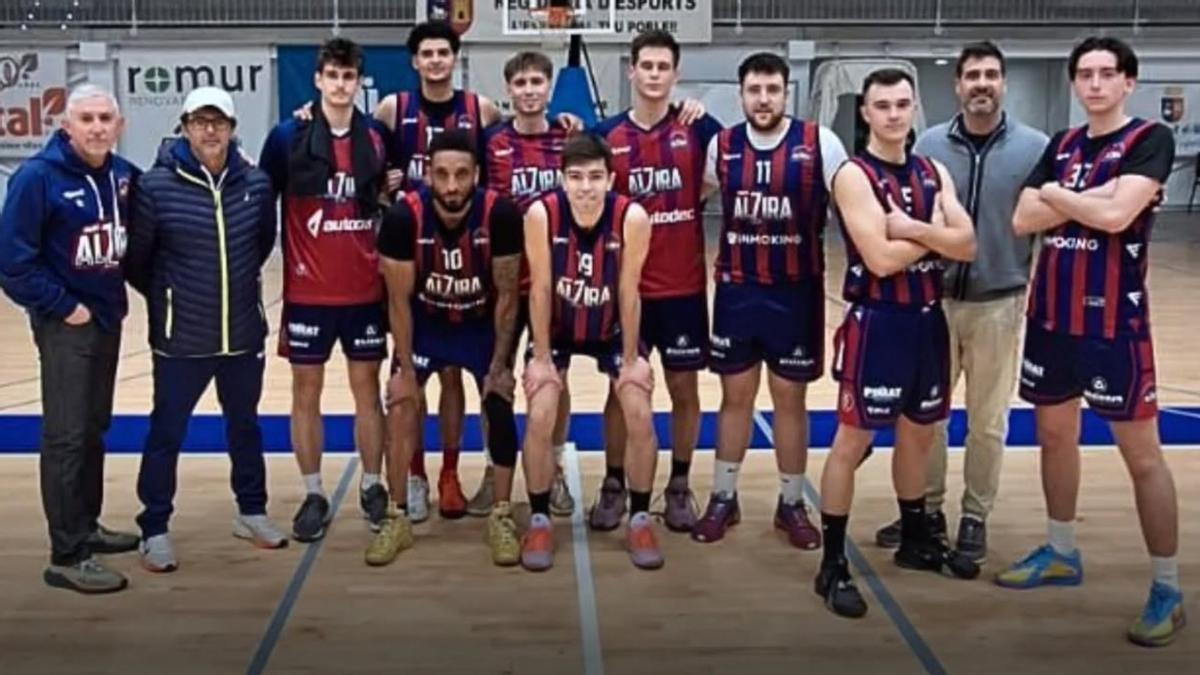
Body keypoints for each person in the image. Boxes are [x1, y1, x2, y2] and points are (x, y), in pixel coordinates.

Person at [996, 36, 1185, 648]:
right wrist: (1081, 197)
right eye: (1085, 74)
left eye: (1107, 73)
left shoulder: (1150, 139)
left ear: (1128, 82)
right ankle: (1061, 549)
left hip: (1115, 327)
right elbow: (1023, 219)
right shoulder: (1064, 145)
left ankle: (1166, 586)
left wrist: (1058, 197)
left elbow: (1116, 219)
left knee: (1144, 458)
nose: (1096, 84)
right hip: (1053, 318)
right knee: (1055, 435)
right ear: (1075, 83)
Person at [873, 41, 1048, 562]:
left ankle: (975, 515)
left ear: (1003, 83)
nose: (981, 84)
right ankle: (925, 511)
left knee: (987, 421)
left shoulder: (1034, 147)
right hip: (935, 300)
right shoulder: (927, 145)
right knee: (925, 417)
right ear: (957, 84)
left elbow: (1042, 221)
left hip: (999, 301)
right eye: (972, 75)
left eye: (991, 74)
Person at [818, 68, 979, 619]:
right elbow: (880, 259)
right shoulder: (852, 175)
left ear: (914, 109)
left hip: (927, 320)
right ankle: (833, 561)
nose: (893, 114)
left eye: (902, 104)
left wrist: (909, 227)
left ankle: (916, 538)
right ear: (864, 112)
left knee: (918, 437)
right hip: (878, 323)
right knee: (850, 441)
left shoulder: (933, 169)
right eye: (881, 105)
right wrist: (933, 234)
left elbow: (970, 244)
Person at [689, 52, 846, 550]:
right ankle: (723, 496)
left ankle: (791, 502)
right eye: (754, 90)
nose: (763, 99)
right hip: (738, 291)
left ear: (786, 92)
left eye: (772, 89)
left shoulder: (819, 142)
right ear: (741, 94)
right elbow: (695, 196)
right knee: (734, 398)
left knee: (789, 400)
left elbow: (853, 201)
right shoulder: (723, 146)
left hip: (796, 293)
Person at [124, 87, 284, 573]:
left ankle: (251, 512)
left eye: (219, 122)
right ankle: (154, 528)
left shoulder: (256, 184)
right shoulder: (154, 187)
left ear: (233, 129)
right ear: (184, 125)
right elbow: (139, 262)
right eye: (200, 121)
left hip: (241, 335)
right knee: (165, 433)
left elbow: (259, 247)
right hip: (181, 338)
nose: (210, 130)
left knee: (245, 427)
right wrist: (173, 302)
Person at [0, 84, 140, 593]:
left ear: (119, 126)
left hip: (106, 319)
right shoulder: (37, 178)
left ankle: (86, 526)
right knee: (65, 436)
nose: (98, 127)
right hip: (66, 324)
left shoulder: (124, 177)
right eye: (87, 119)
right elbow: (12, 264)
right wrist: (65, 307)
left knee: (92, 429)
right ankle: (66, 553)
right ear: (67, 126)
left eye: (106, 118)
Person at [368, 129, 523, 567]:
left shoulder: (501, 214)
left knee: (498, 399)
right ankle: (396, 515)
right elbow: (397, 301)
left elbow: (509, 295)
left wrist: (500, 364)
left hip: (479, 324)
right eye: (441, 174)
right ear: (427, 174)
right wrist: (403, 366)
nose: (452, 185)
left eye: (461, 174)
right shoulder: (404, 218)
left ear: (476, 173)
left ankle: (502, 514)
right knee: (400, 402)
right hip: (427, 324)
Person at [590, 30, 723, 533]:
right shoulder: (606, 136)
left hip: (683, 289)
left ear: (675, 73)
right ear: (631, 71)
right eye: (645, 65)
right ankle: (614, 482)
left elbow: (723, 173)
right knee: (620, 392)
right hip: (627, 291)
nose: (653, 74)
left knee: (684, 389)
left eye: (662, 66)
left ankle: (681, 484)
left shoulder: (700, 128)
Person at [259, 38, 390, 542]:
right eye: (332, 76)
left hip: (363, 293)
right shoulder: (287, 136)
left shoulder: (376, 138)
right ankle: (314, 493)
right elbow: (259, 198)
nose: (340, 85)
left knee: (367, 395)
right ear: (317, 80)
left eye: (348, 76)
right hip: (308, 294)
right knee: (305, 395)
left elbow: (389, 193)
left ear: (358, 82)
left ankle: (373, 486)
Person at [374, 20, 505, 520]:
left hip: (468, 255)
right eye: (426, 53)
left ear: (455, 58)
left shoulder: (482, 109)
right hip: (413, 253)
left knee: (455, 380)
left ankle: (450, 474)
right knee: (410, 376)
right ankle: (415, 475)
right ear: (415, 61)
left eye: (442, 53)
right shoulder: (392, 109)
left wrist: (566, 127)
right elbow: (369, 161)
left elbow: (518, 141)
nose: (434, 61)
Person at [521, 133, 660, 571]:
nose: (585, 186)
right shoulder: (541, 213)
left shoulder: (632, 217)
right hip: (558, 326)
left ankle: (639, 515)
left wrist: (633, 362)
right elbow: (540, 287)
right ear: (562, 178)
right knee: (541, 410)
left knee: (638, 408)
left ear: (611, 179)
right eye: (576, 177)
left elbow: (629, 289)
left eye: (595, 177)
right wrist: (542, 359)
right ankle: (540, 516)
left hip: (612, 325)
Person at [466, 50, 576, 518]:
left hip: (556, 281)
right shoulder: (490, 144)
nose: (529, 90)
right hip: (502, 283)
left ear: (549, 89)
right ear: (508, 89)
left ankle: (550, 470)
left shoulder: (571, 140)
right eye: (521, 82)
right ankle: (497, 469)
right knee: (495, 379)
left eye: (537, 82)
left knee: (555, 380)